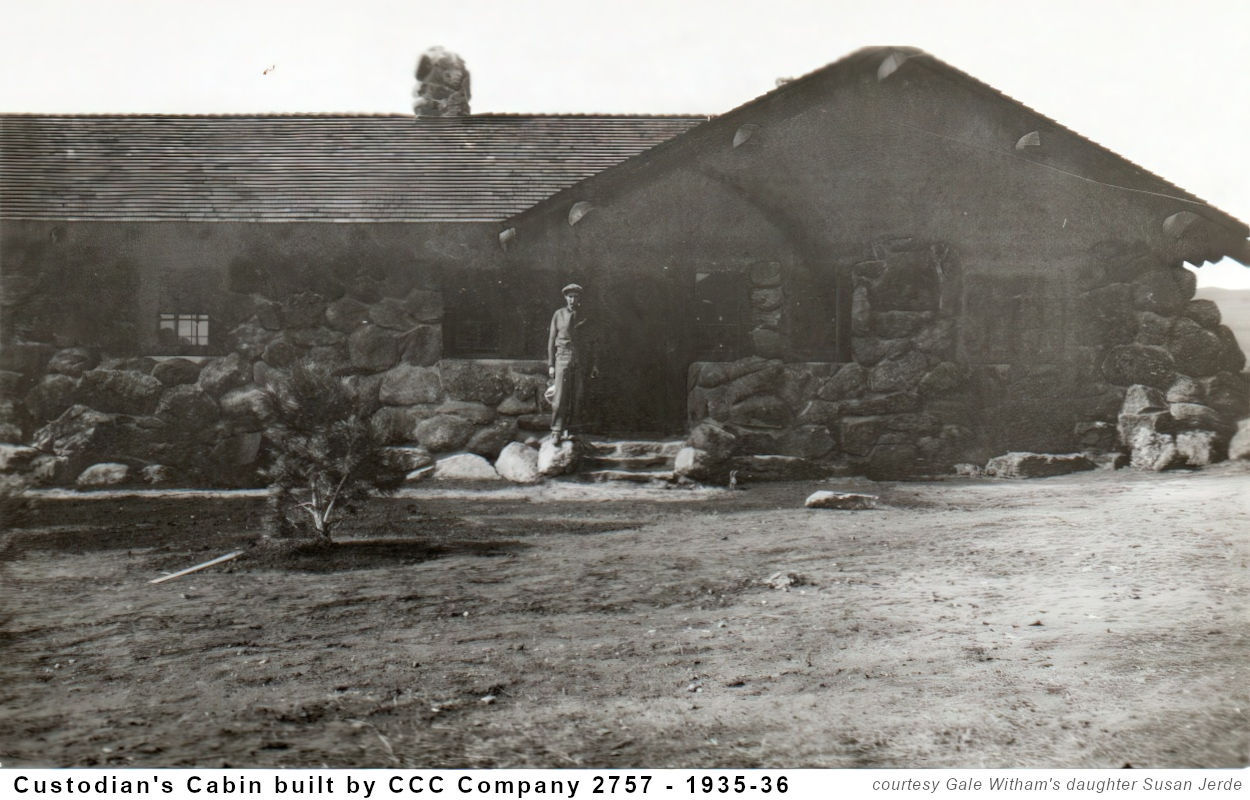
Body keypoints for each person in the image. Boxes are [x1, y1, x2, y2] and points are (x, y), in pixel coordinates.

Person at [547, 283, 597, 440]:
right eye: (570, 296)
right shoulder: (558, 314)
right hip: (562, 357)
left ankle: (574, 430)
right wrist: (551, 365)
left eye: (575, 296)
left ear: (579, 298)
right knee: (560, 395)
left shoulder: (585, 316)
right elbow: (551, 340)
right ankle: (557, 430)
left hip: (580, 358)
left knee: (578, 395)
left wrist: (595, 364)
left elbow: (593, 342)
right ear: (565, 297)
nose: (572, 300)